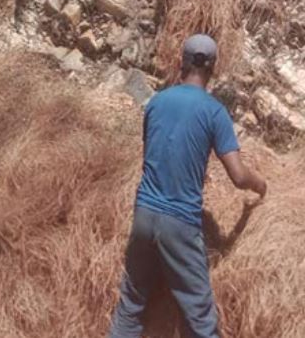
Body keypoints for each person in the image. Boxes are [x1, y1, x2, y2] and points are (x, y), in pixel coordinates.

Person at [108, 34, 267, 338]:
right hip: (179, 223)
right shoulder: (214, 112)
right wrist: (260, 185)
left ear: (181, 61)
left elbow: (154, 155)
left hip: (143, 216)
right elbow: (237, 175)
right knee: (201, 320)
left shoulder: (157, 102)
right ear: (213, 68)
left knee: (130, 306)